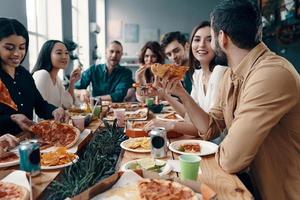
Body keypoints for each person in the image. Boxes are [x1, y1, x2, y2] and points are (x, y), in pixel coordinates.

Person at [158, 1, 300, 199]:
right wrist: (181, 93)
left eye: (211, 36)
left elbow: (231, 159)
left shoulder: (271, 74)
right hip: (249, 185)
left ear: (222, 37)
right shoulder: (230, 75)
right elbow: (210, 127)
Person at [145, 22, 227, 137]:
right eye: (197, 39)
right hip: (202, 144)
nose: (202, 45)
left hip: (218, 148)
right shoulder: (197, 75)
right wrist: (166, 95)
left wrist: (169, 124)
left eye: (209, 39)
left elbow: (209, 130)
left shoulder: (220, 72)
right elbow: (189, 117)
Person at [0, 17, 66, 135]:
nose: (17, 53)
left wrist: (54, 110)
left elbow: (40, 105)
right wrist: (11, 118)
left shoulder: (24, 74)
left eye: (21, 47)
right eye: (9, 48)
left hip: (28, 142)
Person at [32, 40, 81, 108]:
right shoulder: (42, 75)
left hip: (54, 119)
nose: (64, 57)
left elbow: (68, 104)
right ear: (48, 55)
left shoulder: (57, 79)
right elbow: (40, 110)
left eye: (66, 53)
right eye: (59, 53)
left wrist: (72, 82)